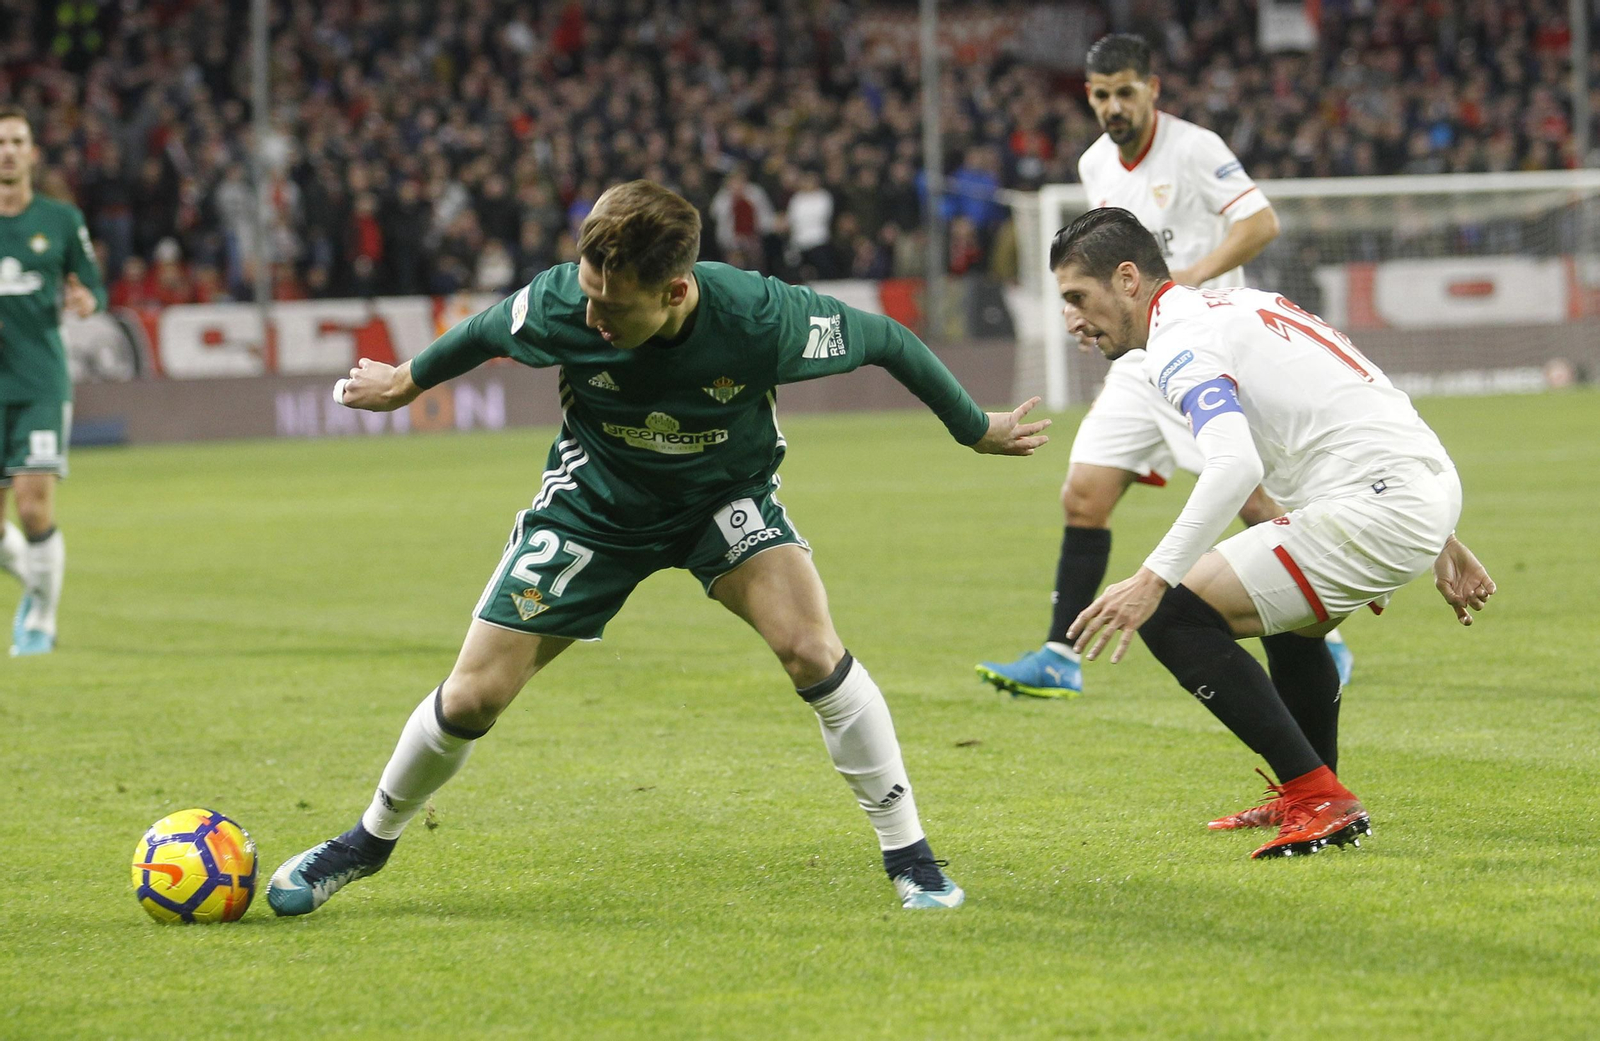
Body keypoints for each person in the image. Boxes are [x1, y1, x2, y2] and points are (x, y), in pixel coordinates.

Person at [267, 180, 1050, 915]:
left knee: (812, 649)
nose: (592, 317)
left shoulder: (759, 318)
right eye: (588, 293)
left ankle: (911, 857)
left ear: (676, 291)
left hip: (722, 501)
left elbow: (886, 338)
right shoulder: (563, 302)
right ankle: (365, 843)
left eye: (613, 306)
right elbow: (484, 331)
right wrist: (405, 382)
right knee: (473, 695)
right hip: (595, 507)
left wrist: (973, 427)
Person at [1051, 207, 1494, 858]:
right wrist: (1440, 529)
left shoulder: (1178, 342)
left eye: (1076, 297)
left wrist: (1152, 577)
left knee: (1172, 614)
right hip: (1416, 484)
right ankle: (1311, 791)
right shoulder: (1239, 304)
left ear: (1126, 279)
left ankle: (1318, 797)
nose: (1071, 320)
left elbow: (1236, 467)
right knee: (1290, 618)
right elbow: (1361, 391)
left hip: (1381, 503)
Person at [975, 34, 1354, 698]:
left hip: (1196, 347)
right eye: (1101, 95)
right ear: (1089, 96)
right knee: (1083, 494)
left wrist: (1181, 283)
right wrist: (1094, 312)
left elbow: (1260, 223)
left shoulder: (1196, 148)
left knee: (1252, 498)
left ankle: (1326, 638)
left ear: (1152, 89)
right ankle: (1060, 656)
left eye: (1125, 92)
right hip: (1138, 357)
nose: (1114, 107)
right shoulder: (1096, 163)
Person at [0, 105, 107, 657]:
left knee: (33, 507)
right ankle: (36, 582)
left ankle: (40, 620)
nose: (8, 152)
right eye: (0, 143)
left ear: (33, 153)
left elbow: (93, 286)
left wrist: (87, 299)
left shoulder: (61, 220)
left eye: (17, 142)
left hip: (40, 382)